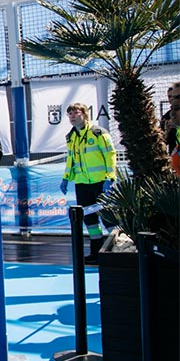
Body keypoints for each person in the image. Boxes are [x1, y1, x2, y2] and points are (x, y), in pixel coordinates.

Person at [59, 102, 117, 265]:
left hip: (100, 182)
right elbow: (71, 159)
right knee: (90, 220)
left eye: (76, 113)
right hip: (82, 183)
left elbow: (110, 154)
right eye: (70, 114)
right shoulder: (71, 137)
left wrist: (110, 176)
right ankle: (96, 252)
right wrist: (66, 178)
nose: (72, 116)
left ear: (85, 114)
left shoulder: (98, 133)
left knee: (108, 218)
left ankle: (117, 251)